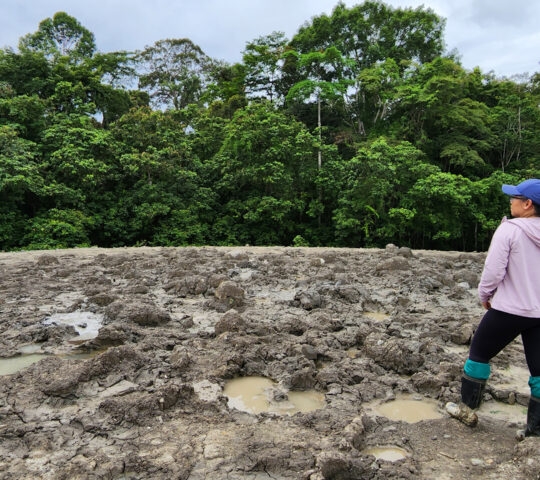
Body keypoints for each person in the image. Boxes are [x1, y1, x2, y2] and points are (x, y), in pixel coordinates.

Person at [445, 179, 540, 439]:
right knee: (539, 370)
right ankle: (535, 431)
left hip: (509, 309)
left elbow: (494, 270)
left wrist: (485, 295)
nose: (510, 201)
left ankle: (468, 410)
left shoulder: (509, 230)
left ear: (528, 204)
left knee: (478, 353)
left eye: (514, 197)